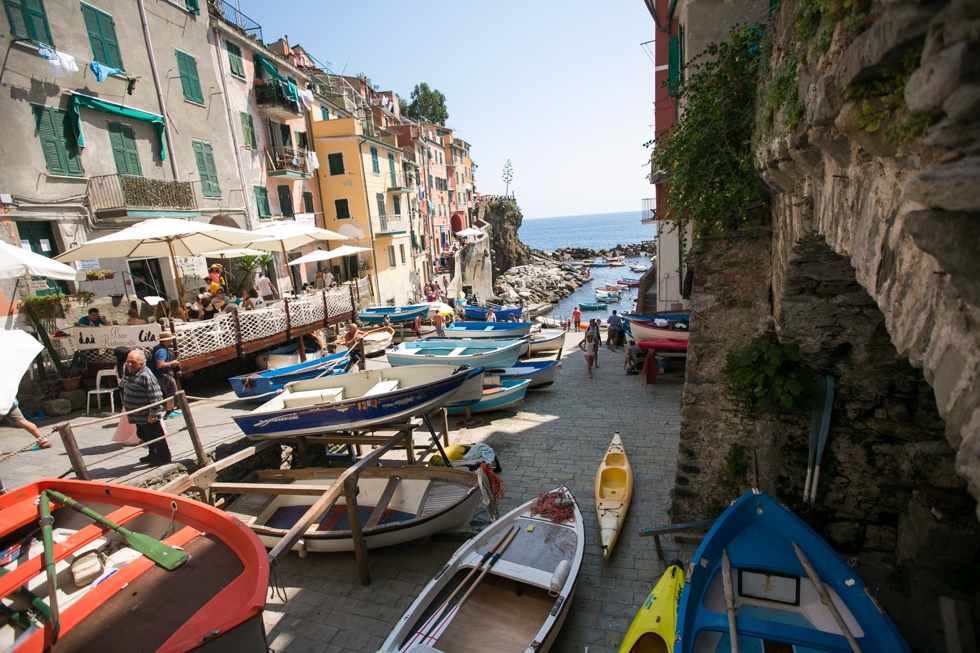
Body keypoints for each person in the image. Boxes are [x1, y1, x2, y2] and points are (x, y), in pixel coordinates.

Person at [121, 349, 171, 465]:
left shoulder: (146, 375)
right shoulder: (132, 373)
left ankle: (163, 457)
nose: (129, 364)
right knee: (143, 435)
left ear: (141, 363)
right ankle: (152, 454)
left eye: (132, 362)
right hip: (138, 416)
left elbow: (156, 395)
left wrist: (153, 412)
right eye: (128, 362)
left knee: (156, 436)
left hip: (147, 415)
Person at [151, 331, 181, 419]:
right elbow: (160, 364)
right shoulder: (161, 351)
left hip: (162, 374)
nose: (171, 341)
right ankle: (168, 412)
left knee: (171, 390)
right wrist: (172, 363)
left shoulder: (159, 348)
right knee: (170, 391)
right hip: (163, 374)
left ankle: (171, 409)